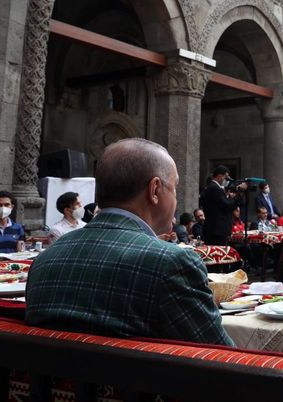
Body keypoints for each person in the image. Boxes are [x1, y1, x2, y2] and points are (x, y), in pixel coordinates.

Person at [25, 138, 233, 346]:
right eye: (175, 187)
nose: (176, 199)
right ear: (154, 190)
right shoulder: (172, 263)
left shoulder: (43, 261)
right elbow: (223, 355)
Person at [200, 165, 246, 246]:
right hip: (216, 230)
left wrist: (229, 197)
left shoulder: (214, 188)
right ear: (220, 176)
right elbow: (227, 205)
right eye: (226, 177)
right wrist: (239, 193)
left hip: (216, 229)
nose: (227, 180)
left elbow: (222, 203)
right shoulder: (214, 188)